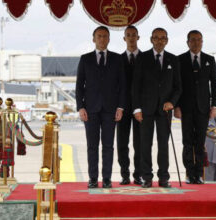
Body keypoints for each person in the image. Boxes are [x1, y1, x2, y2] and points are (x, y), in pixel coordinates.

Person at [76, 26, 126, 188]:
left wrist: (121, 107)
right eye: (99, 36)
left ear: (109, 39)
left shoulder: (117, 59)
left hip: (111, 110)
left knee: (109, 146)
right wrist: (80, 107)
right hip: (90, 110)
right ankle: (92, 178)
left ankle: (106, 179)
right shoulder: (85, 59)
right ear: (94, 39)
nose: (102, 39)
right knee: (92, 146)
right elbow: (79, 86)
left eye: (105, 36)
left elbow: (122, 85)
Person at [132, 27, 182, 188]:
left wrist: (172, 102)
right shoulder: (142, 58)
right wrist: (137, 109)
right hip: (145, 110)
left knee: (163, 145)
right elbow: (136, 85)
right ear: (151, 39)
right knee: (145, 144)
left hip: (164, 110)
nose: (159, 41)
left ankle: (164, 177)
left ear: (166, 40)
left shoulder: (173, 60)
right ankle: (146, 177)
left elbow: (178, 87)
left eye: (162, 38)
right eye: (156, 38)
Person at [175, 30, 216, 184]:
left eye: (199, 40)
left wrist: (215, 105)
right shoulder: (179, 60)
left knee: (200, 142)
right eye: (193, 40)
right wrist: (176, 106)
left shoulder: (209, 60)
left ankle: (199, 174)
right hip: (185, 108)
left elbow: (214, 84)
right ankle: (189, 173)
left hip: (203, 108)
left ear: (202, 41)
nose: (196, 42)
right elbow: (177, 85)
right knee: (187, 142)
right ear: (188, 42)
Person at [117, 25, 142, 185]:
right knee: (122, 143)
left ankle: (138, 174)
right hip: (123, 107)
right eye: (128, 35)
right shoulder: (117, 59)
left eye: (134, 35)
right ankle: (125, 174)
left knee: (140, 143)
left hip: (140, 108)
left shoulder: (146, 58)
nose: (131, 38)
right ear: (124, 38)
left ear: (138, 38)